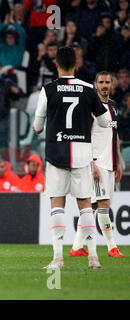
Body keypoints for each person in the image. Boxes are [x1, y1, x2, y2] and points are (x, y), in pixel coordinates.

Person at [32, 46, 111, 269]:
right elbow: (105, 122)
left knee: (57, 203)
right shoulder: (88, 89)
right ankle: (94, 257)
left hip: (56, 152)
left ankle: (58, 259)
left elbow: (38, 126)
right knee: (85, 204)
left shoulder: (48, 89)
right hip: (82, 153)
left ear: (56, 64)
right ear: (76, 65)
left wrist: (38, 127)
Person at [70, 71, 124, 258]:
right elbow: (84, 137)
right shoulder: (89, 107)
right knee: (104, 204)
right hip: (96, 163)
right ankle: (112, 247)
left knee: (92, 207)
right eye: (101, 82)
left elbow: (114, 135)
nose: (104, 85)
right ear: (95, 85)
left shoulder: (114, 106)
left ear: (112, 84)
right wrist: (90, 162)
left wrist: (118, 162)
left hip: (110, 163)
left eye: (107, 82)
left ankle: (76, 247)